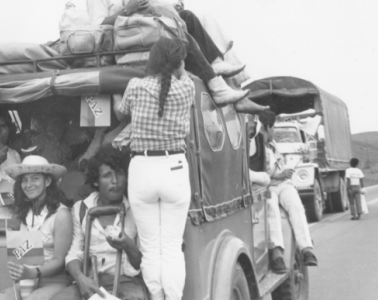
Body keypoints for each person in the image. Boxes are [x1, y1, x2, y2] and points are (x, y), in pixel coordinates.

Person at [87, 0, 268, 114]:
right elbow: (99, 27)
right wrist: (128, 10)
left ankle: (217, 66)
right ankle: (221, 84)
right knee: (183, 36)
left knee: (188, 17)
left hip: (145, 33)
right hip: (128, 43)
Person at [117, 37, 191, 300]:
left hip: (143, 169)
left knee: (149, 247)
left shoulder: (135, 86)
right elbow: (182, 74)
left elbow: (120, 110)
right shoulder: (187, 89)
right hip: (174, 168)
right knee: (171, 247)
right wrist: (179, 67)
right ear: (178, 63)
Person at [52, 145, 147, 300]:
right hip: (89, 280)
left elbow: (141, 262)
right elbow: (74, 253)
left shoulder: (136, 210)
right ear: (96, 181)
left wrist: (128, 245)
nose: (115, 181)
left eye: (120, 174)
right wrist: (80, 279)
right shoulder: (81, 208)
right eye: (107, 175)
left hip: (126, 281)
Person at [0, 155, 73, 300]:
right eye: (24, 180)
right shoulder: (23, 213)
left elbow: (60, 260)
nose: (28, 184)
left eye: (35, 178)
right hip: (27, 281)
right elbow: (18, 250)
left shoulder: (61, 215)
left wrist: (33, 273)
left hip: (54, 281)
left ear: (48, 181)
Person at [258, 110, 318, 274]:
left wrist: (284, 173)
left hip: (282, 183)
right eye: (273, 128)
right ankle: (277, 252)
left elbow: (279, 166)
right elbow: (259, 173)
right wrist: (277, 175)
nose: (274, 132)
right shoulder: (255, 146)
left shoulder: (273, 145)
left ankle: (306, 249)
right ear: (267, 127)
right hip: (268, 186)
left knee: (296, 205)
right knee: (271, 209)